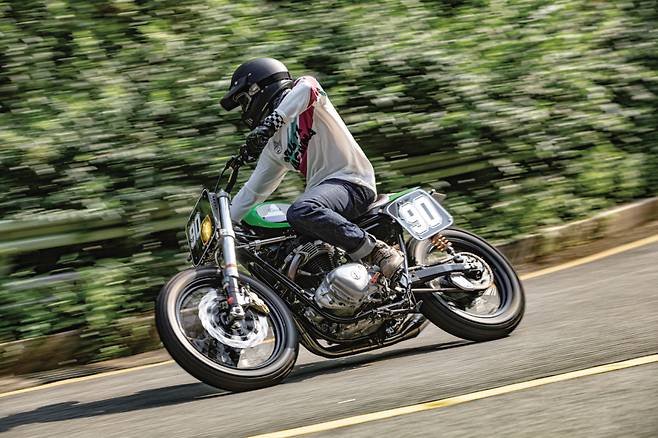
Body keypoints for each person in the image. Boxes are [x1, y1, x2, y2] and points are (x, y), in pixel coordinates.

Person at [221, 58, 403, 278]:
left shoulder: (305, 94)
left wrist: (271, 123)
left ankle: (376, 251)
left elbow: (308, 88)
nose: (244, 110)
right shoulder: (274, 147)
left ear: (258, 89)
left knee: (301, 210)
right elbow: (252, 192)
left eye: (243, 101)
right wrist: (223, 227)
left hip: (352, 183)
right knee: (280, 246)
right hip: (326, 198)